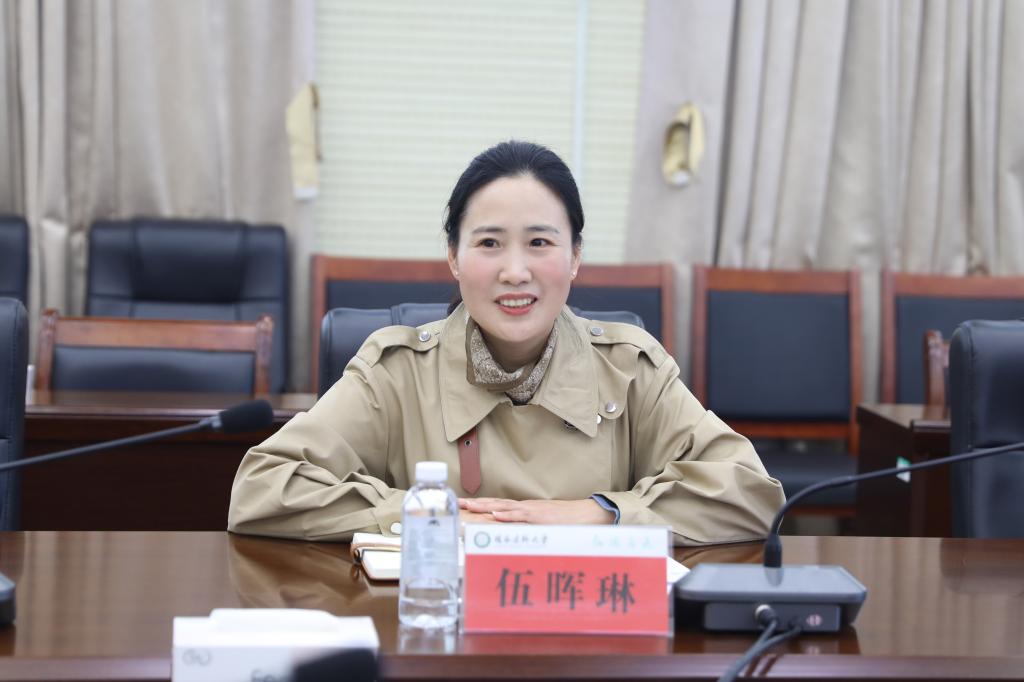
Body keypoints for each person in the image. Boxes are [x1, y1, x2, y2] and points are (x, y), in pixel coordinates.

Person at [228, 140, 784, 545]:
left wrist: (599, 514)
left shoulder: (629, 368)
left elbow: (749, 492)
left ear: (575, 258)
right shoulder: (397, 371)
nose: (515, 271)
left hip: (586, 633)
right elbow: (263, 486)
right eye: (489, 243)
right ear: (453, 257)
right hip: (434, 628)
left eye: (539, 242)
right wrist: (435, 516)